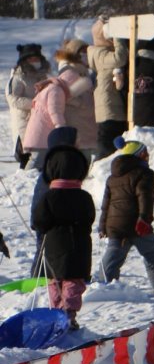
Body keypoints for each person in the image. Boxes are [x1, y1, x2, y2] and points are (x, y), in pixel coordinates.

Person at [98, 138, 154, 293]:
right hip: (135, 223)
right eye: (145, 153)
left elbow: (106, 204)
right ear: (140, 154)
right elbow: (145, 196)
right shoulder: (144, 173)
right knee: (153, 251)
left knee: (114, 255)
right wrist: (144, 218)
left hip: (114, 224)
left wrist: (102, 226)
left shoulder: (113, 177)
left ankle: (102, 284)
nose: (148, 155)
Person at [31, 127, 94, 330]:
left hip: (54, 246)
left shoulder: (49, 197)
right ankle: (69, 313)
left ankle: (58, 312)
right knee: (73, 282)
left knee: (55, 282)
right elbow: (88, 220)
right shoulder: (84, 197)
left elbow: (38, 221)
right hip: (78, 246)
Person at [22, 39, 99, 160]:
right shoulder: (71, 74)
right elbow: (63, 98)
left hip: (84, 129)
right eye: (83, 52)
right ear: (76, 55)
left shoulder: (82, 73)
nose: (86, 55)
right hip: (78, 130)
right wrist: (81, 104)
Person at [88, 17, 129, 159]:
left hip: (112, 106)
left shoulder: (102, 52)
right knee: (107, 151)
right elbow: (120, 58)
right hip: (109, 109)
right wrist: (117, 36)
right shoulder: (100, 53)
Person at [7, 44, 52, 169]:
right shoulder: (18, 77)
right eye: (31, 59)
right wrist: (35, 103)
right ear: (24, 60)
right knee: (27, 154)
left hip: (42, 119)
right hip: (24, 120)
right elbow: (13, 99)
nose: (34, 62)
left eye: (36, 58)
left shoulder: (44, 75)